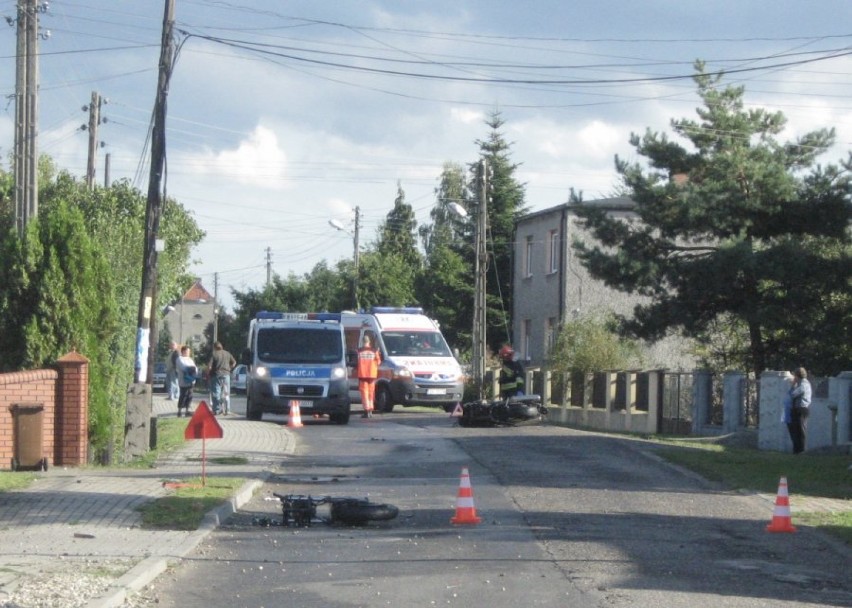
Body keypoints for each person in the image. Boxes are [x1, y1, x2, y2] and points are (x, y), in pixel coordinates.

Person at [786, 367, 812, 454]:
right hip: (798, 409)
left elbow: (793, 394)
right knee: (795, 430)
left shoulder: (803, 384)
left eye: (795, 376)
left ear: (797, 376)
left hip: (801, 409)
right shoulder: (801, 384)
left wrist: (793, 385)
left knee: (800, 430)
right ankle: (796, 450)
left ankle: (801, 450)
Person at [208, 341, 237, 415]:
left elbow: (209, 366)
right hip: (226, 374)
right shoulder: (227, 353)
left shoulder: (214, 354)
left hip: (216, 375)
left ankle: (217, 410)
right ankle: (228, 409)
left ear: (214, 347)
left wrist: (208, 372)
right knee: (227, 392)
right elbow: (234, 362)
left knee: (216, 392)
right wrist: (230, 368)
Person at [357, 334, 382, 418]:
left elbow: (356, 362)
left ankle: (366, 410)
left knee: (364, 393)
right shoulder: (374, 351)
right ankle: (371, 410)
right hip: (372, 375)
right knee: (371, 393)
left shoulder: (359, 351)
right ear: (369, 342)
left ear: (362, 341)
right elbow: (378, 362)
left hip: (362, 375)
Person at [176, 345, 198, 418]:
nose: (188, 353)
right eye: (187, 351)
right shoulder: (180, 359)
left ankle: (187, 410)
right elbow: (183, 367)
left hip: (191, 380)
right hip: (183, 380)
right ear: (183, 351)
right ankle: (179, 411)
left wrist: (194, 372)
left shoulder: (190, 359)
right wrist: (192, 369)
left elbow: (195, 368)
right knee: (183, 395)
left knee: (190, 395)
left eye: (189, 351)